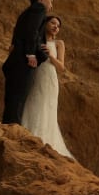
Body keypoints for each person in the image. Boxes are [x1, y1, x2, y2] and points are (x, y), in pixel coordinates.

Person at [21, 15, 74, 158]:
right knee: (32, 102)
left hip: (49, 78)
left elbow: (62, 67)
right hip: (35, 76)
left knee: (46, 107)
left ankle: (44, 141)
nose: (56, 27)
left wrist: (50, 55)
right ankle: (28, 137)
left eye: (58, 26)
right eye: (53, 23)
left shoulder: (59, 43)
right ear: (45, 23)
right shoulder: (37, 40)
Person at [1, 0, 54, 124]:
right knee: (19, 97)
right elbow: (32, 32)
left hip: (15, 59)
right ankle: (13, 128)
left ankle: (8, 126)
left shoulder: (25, 13)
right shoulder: (39, 8)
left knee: (12, 97)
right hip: (23, 60)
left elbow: (20, 32)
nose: (51, 6)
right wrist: (31, 54)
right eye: (51, 1)